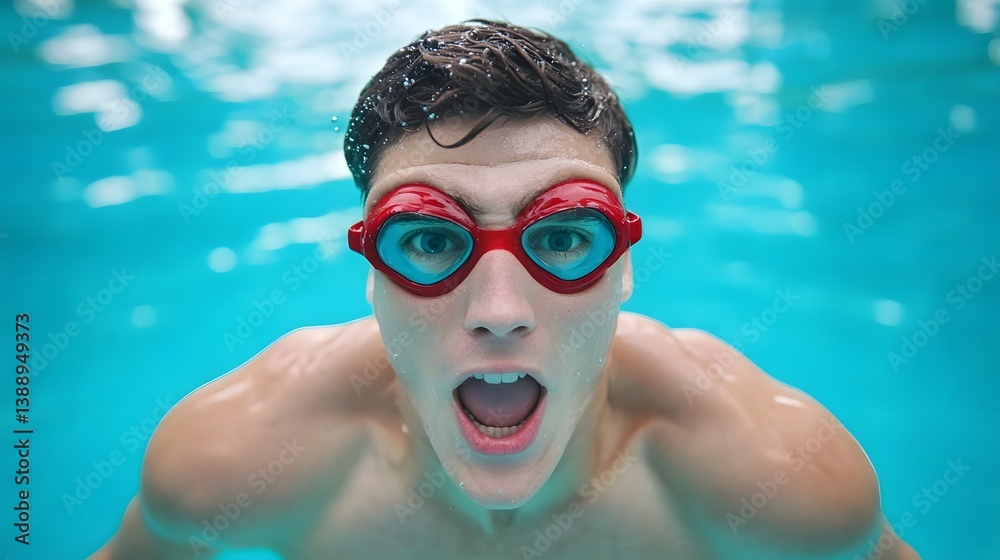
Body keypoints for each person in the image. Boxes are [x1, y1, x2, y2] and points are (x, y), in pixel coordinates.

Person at [91, 20, 920, 559]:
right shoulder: (231, 462)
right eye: (429, 240)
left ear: (624, 266)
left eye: (561, 237)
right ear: (372, 272)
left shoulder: (779, 482)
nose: (498, 312)